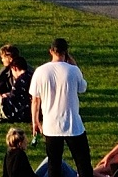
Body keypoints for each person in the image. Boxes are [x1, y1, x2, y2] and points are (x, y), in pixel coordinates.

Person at [29, 36, 92, 177]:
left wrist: (35, 121)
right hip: (73, 125)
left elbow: (35, 100)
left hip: (51, 126)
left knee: (54, 164)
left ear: (51, 51)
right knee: (83, 162)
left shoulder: (40, 71)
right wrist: (74, 64)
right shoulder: (73, 70)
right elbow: (83, 88)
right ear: (66, 52)